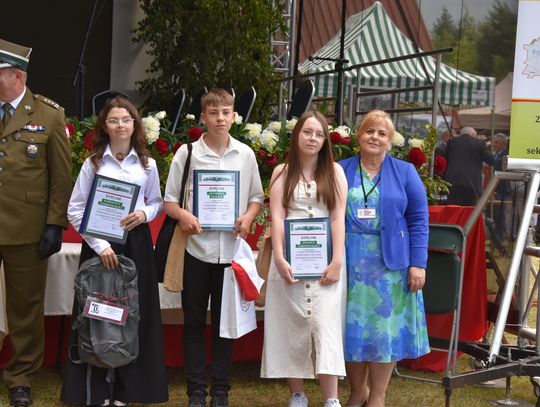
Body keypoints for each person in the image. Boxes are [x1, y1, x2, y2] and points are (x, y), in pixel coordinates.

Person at [61, 97, 168, 406]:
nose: (120, 125)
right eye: (113, 120)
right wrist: (100, 245)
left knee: (134, 313)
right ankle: (95, 392)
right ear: (104, 126)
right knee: (96, 313)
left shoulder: (147, 164)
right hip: (100, 246)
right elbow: (75, 210)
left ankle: (127, 392)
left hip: (136, 244)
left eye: (126, 119)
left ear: (135, 125)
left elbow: (157, 202)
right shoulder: (93, 163)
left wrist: (144, 214)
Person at [163, 88, 264, 407]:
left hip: (230, 253)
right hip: (196, 250)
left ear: (234, 116)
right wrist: (183, 216)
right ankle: (195, 390)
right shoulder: (187, 153)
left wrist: (248, 217)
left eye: (226, 112)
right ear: (203, 117)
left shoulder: (245, 155)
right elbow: (169, 202)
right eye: (213, 112)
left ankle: (220, 391)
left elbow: (256, 197)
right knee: (193, 322)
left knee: (226, 324)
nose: (220, 118)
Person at [339, 110, 430, 407]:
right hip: (349, 261)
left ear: (390, 141)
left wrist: (418, 264)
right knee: (352, 326)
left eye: (382, 133)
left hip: (391, 265)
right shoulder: (340, 169)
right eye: (369, 131)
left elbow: (419, 220)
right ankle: (357, 391)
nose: (375, 137)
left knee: (383, 330)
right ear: (359, 136)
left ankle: (377, 395)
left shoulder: (405, 172)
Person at [0, 38, 72, 407]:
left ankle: (21, 377)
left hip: (26, 228)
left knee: (25, 308)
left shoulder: (48, 114)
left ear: (17, 76)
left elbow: (60, 177)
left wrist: (54, 224)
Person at [261, 111, 348, 407]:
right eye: (308, 132)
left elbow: (337, 217)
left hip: (325, 262)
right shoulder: (281, 172)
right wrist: (280, 258)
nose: (313, 139)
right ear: (297, 134)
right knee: (291, 324)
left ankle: (331, 398)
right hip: (290, 261)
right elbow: (277, 216)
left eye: (319, 134)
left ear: (325, 141)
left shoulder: (335, 172)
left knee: (326, 326)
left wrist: (337, 260)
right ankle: (297, 394)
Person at [443, 126, 495, 205]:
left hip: (452, 182)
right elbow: (491, 160)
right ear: (473, 134)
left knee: (454, 208)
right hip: (472, 183)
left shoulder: (451, 142)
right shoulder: (479, 143)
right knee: (470, 209)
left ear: (461, 134)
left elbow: (445, 160)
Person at [492, 133, 510, 244]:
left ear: (503, 143)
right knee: (497, 213)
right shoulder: (497, 154)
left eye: (496, 142)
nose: (494, 144)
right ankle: (497, 236)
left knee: (501, 214)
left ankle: (500, 237)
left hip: (503, 187)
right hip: (497, 187)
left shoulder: (505, 155)